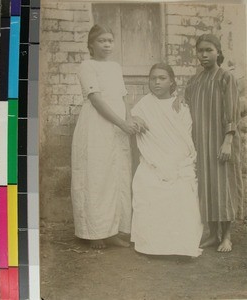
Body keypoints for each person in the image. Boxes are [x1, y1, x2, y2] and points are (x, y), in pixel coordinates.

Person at [71, 24, 146, 249]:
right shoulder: (87, 66)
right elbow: (96, 100)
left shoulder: (114, 67)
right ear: (91, 44)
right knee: (97, 176)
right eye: (101, 40)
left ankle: (113, 231)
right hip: (97, 125)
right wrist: (122, 123)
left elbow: (123, 97)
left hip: (118, 129)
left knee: (117, 176)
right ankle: (95, 233)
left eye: (110, 41)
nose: (106, 44)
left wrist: (129, 119)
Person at [131, 63, 203, 257]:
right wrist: (135, 120)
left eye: (162, 78)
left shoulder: (181, 105)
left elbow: (184, 137)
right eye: (153, 78)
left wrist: (173, 162)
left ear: (171, 81)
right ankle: (152, 245)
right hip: (153, 161)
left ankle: (180, 246)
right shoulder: (144, 104)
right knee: (146, 181)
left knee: (180, 186)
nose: (157, 82)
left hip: (177, 160)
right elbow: (134, 120)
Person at [185, 34, 243, 252]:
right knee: (206, 186)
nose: (204, 55)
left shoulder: (225, 78)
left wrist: (227, 140)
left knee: (223, 186)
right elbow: (188, 112)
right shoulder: (194, 81)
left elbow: (232, 112)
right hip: (201, 142)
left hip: (222, 142)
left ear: (218, 52)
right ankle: (212, 234)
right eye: (200, 51)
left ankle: (226, 236)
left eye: (209, 50)